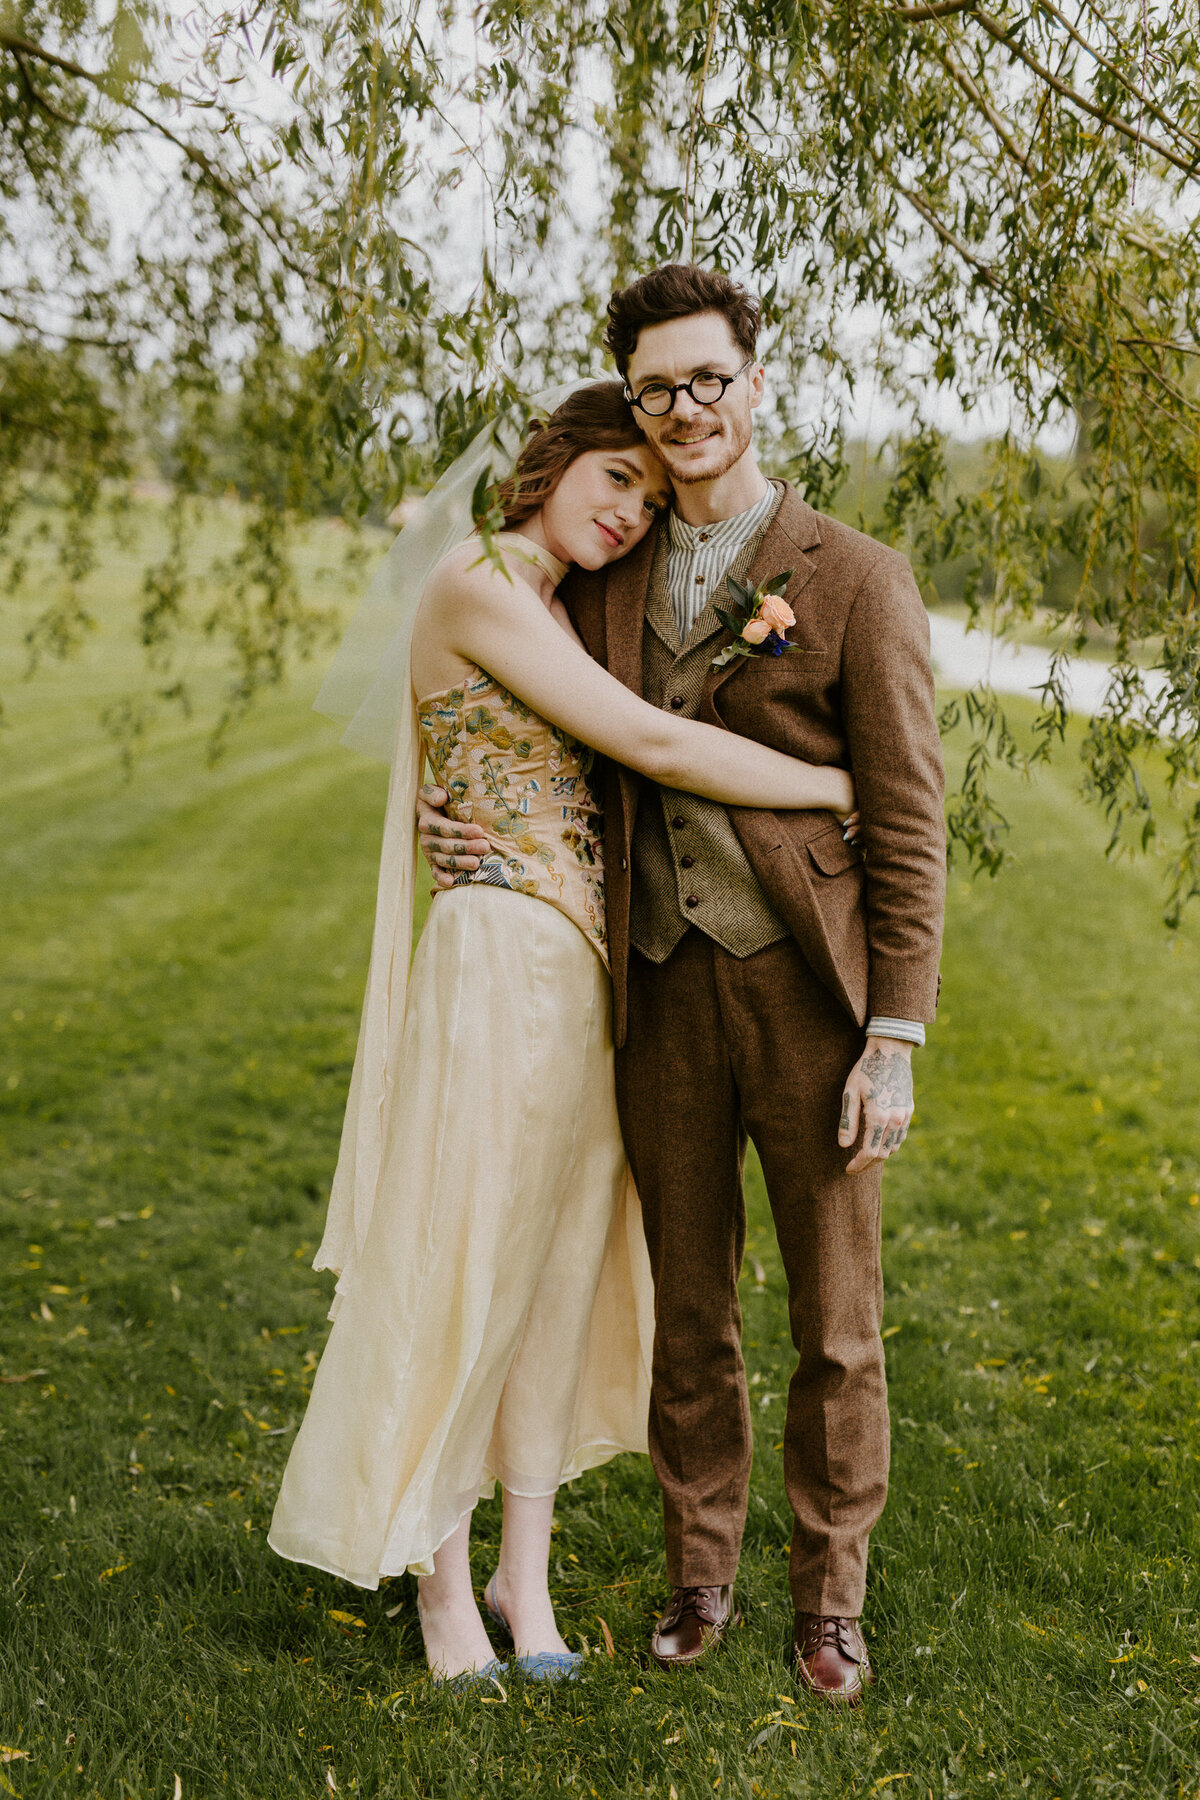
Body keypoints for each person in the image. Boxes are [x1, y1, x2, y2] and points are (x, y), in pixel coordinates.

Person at [268, 382, 859, 1689]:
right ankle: (437, 1581)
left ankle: (520, 1582)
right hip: (496, 959)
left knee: (553, 1270)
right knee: (466, 1254)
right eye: (613, 479)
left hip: (585, 974)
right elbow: (650, 741)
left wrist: (777, 630)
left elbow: (688, 691)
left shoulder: (562, 608)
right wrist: (837, 781)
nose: (627, 512)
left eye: (647, 501)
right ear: (549, 463)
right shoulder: (481, 581)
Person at [420, 267, 946, 1705]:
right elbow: (504, 704)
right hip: (651, 987)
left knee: (837, 1324)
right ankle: (698, 1575)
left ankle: (829, 1602)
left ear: (756, 381)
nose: (686, 411)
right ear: (635, 404)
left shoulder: (855, 576)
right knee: (687, 1310)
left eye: (709, 379)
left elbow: (907, 819)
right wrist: (440, 805)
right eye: (658, 390)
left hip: (808, 1000)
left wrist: (893, 1028)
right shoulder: (603, 573)